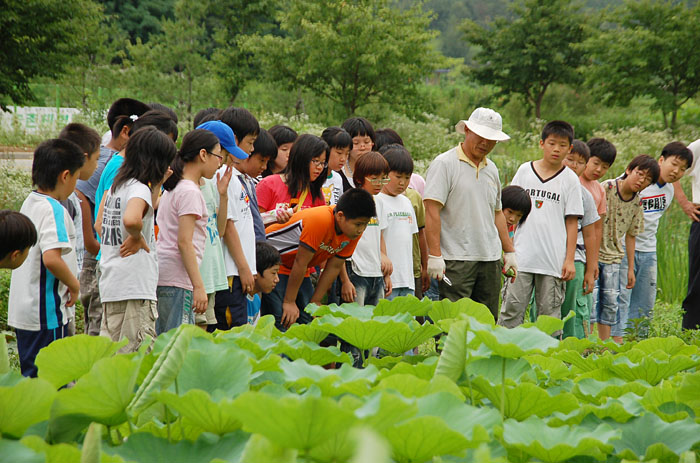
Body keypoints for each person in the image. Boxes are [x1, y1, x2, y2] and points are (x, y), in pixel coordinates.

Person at [424, 107, 514, 318]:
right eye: (481, 136)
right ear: (466, 130)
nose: (485, 143)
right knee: (453, 323)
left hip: (489, 259)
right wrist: (435, 255)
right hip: (456, 258)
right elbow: (432, 211)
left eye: (491, 140)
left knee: (485, 322)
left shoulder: (491, 169)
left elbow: (497, 212)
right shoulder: (444, 164)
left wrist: (509, 251)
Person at [96, 127, 176, 353]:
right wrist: (137, 237)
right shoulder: (139, 189)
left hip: (113, 284)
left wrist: (158, 183)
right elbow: (132, 219)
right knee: (134, 358)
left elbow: (99, 223)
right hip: (134, 289)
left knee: (112, 357)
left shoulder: (118, 186)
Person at [498, 120, 583, 334]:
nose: (556, 149)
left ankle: (549, 364)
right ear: (541, 143)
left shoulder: (570, 180)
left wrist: (569, 259)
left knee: (550, 320)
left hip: (552, 261)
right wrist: (507, 248)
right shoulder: (525, 171)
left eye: (562, 145)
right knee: (511, 312)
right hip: (521, 258)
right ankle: (504, 359)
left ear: (569, 148)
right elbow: (507, 210)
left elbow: (572, 222)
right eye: (552, 143)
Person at [9, 139, 84, 376]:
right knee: (52, 382)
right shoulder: (54, 210)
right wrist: (74, 284)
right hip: (45, 314)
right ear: (65, 176)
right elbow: (51, 258)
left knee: (31, 379)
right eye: (76, 177)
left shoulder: (30, 202)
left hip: (24, 310)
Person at [77, 98, 150, 337]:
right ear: (128, 131)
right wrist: (92, 241)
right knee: (101, 332)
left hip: (104, 252)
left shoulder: (112, 159)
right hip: (102, 253)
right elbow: (82, 196)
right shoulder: (111, 161)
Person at [264, 188, 376, 330]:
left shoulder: (352, 232)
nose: (361, 229)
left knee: (309, 317)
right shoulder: (320, 219)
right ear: (340, 216)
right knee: (283, 317)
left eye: (365, 224)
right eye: (359, 224)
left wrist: (316, 300)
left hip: (298, 269)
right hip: (274, 264)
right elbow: (301, 262)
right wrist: (289, 301)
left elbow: (334, 266)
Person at [614, 143, 691, 337]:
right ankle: (617, 344)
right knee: (620, 299)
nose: (677, 171)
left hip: (648, 251)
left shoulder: (669, 191)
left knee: (645, 304)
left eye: (683, 169)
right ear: (662, 160)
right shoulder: (635, 182)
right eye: (674, 164)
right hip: (622, 249)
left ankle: (638, 343)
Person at [155, 129, 222, 334]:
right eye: (218, 156)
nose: (220, 163)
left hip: (164, 273)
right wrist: (199, 286)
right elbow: (184, 242)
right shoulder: (190, 191)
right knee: (176, 345)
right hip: (177, 278)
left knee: (162, 341)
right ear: (203, 155)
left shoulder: (174, 187)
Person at [595, 155, 659, 342]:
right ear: (629, 170)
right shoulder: (606, 188)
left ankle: (608, 346)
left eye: (648, 180)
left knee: (611, 303)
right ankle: (589, 345)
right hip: (594, 253)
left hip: (615, 257)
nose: (642, 181)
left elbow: (631, 236)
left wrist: (630, 268)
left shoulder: (637, 202)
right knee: (591, 303)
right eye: (640, 174)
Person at [57, 123, 102, 336]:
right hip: (59, 293)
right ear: (83, 158)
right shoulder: (62, 201)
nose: (97, 166)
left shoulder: (70, 197)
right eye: (96, 159)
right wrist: (73, 284)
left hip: (66, 289)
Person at [214, 122, 259, 330]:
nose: (251, 149)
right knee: (231, 332)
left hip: (238, 271)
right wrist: (244, 267)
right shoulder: (222, 175)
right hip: (231, 272)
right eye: (250, 142)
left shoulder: (232, 175)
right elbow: (229, 226)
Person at [561, 140, 600, 338]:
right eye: (570, 159)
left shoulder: (585, 195)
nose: (574, 165)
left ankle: (574, 351)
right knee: (545, 307)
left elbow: (590, 233)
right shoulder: (552, 187)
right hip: (549, 258)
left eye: (580, 162)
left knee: (575, 307)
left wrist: (591, 267)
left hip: (577, 259)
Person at [342, 152, 391, 305]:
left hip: (376, 273)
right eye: (374, 178)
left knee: (375, 323)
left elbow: (380, 235)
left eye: (383, 178)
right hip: (356, 271)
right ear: (359, 178)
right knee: (354, 323)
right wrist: (344, 280)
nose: (379, 183)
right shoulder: (349, 200)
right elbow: (339, 243)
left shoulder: (380, 202)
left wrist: (386, 274)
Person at [375, 145, 419, 299]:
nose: (403, 182)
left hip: (407, 280)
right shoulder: (376, 200)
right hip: (386, 281)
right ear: (385, 174)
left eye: (407, 178)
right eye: (398, 176)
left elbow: (410, 242)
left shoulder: (407, 202)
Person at [256, 134, 329, 220]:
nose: (320, 167)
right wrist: (275, 218)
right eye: (316, 161)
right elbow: (254, 222)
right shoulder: (269, 184)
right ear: (301, 159)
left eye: (323, 163)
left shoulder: (316, 193)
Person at [673, 139, 700, 330]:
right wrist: (684, 202)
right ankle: (691, 329)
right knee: (698, 276)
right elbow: (672, 168)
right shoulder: (698, 146)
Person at [237, 128, 277, 241]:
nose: (264, 167)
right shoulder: (234, 181)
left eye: (267, 162)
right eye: (262, 160)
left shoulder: (248, 180)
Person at [246, 241, 282, 325]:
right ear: (256, 272)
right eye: (273, 273)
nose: (277, 279)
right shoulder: (238, 300)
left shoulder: (256, 299)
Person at [340, 117, 375, 190]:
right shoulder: (338, 171)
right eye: (356, 143)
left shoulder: (378, 168)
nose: (362, 147)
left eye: (366, 142)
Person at [321, 126, 352, 203]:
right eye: (339, 153)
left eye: (347, 154)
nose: (343, 159)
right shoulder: (314, 177)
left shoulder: (337, 178)